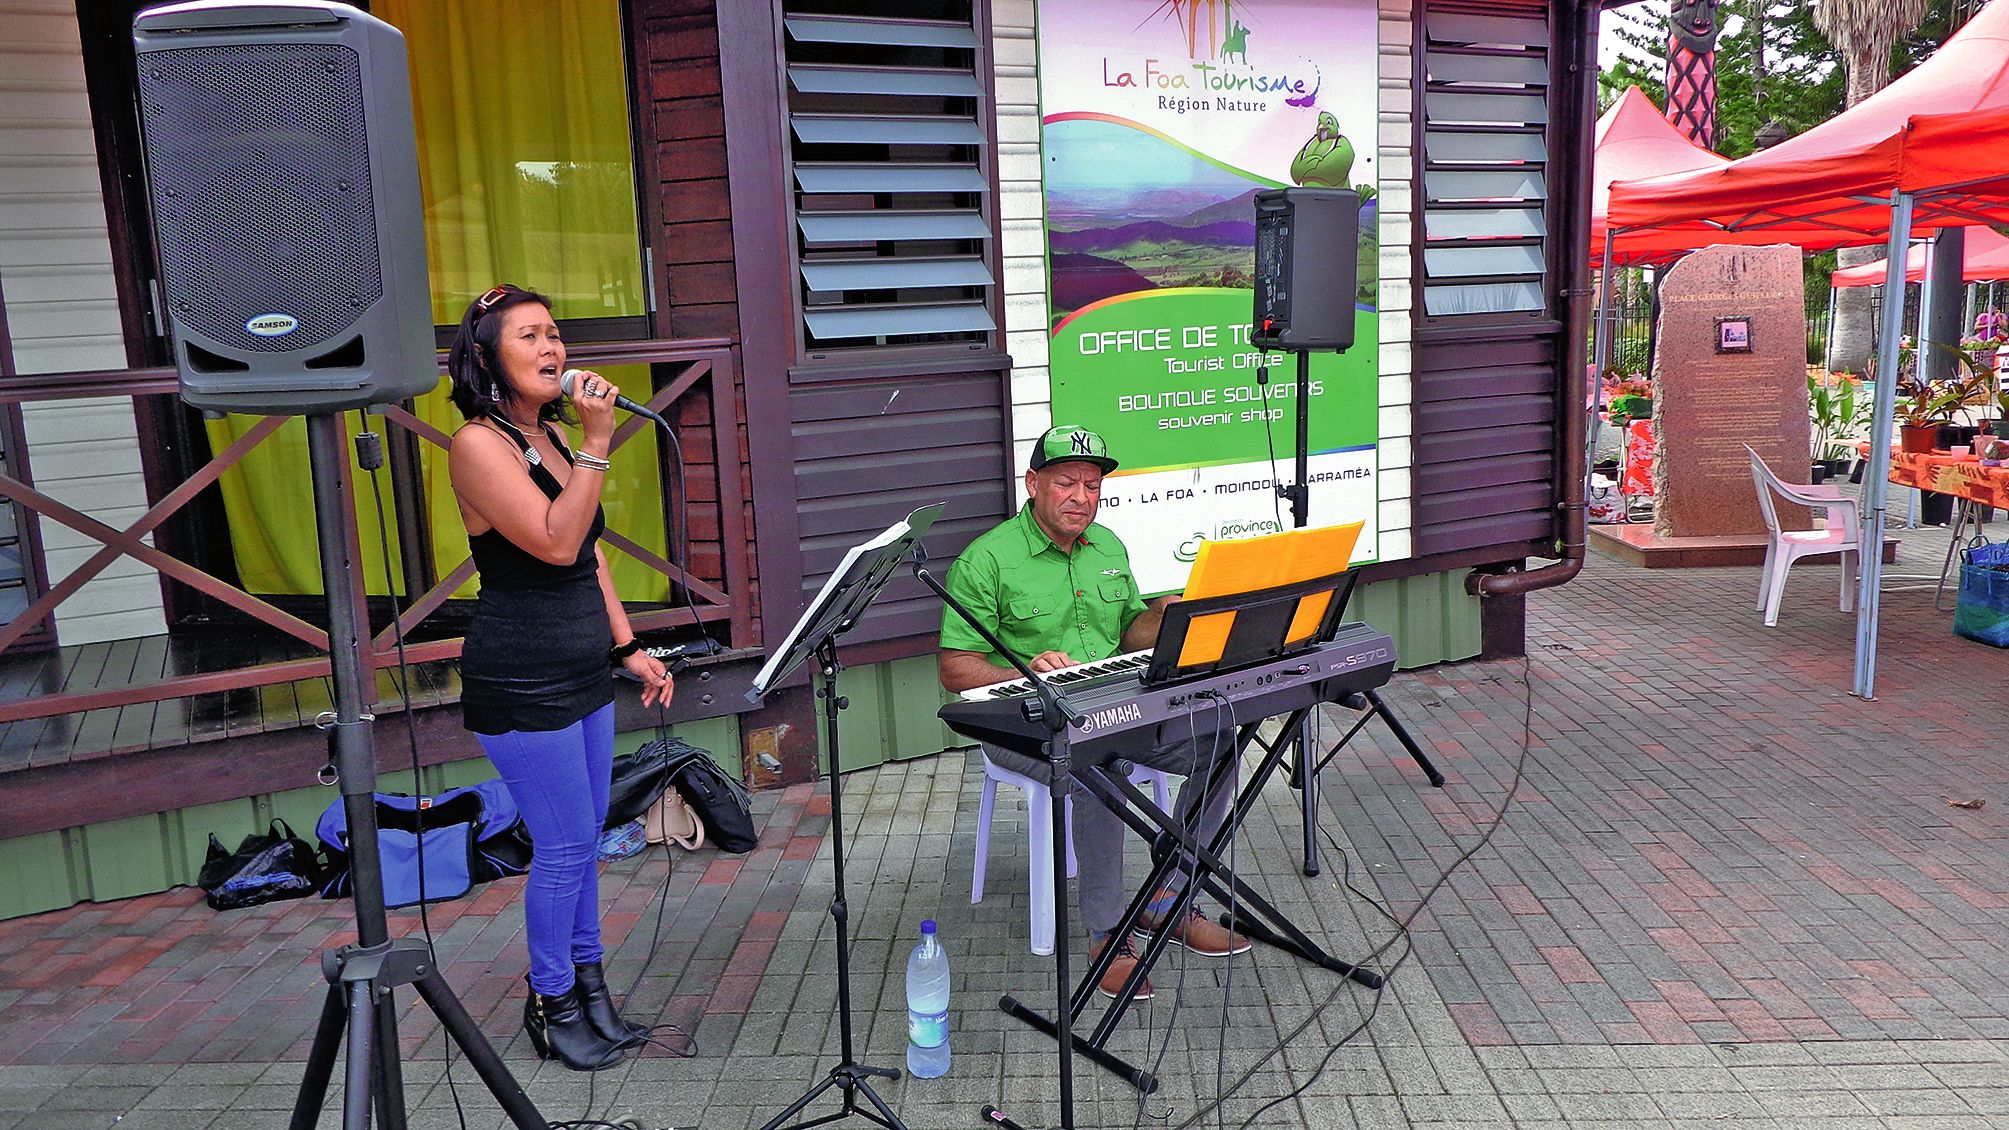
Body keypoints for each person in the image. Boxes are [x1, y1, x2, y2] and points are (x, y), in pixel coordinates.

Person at [938, 425, 1249, 1000]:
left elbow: (1132, 636)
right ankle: (1108, 933)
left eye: (1092, 484)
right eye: (1066, 483)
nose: (1082, 496)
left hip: (1115, 707)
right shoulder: (986, 560)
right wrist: (1027, 670)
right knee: (1097, 771)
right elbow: (955, 671)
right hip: (1025, 720)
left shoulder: (1107, 546)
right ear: (1033, 484)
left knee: (1227, 739)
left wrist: (1163, 616)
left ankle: (1169, 897)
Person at [446, 284, 673, 1071]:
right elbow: (551, 541)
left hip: (582, 667)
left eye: (555, 334)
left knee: (581, 841)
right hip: (521, 677)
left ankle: (589, 989)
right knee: (567, 847)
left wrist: (625, 648)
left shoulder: (546, 435)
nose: (553, 350)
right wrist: (599, 442)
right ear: (486, 357)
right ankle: (552, 1002)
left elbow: (592, 554)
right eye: (530, 337)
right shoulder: (480, 444)